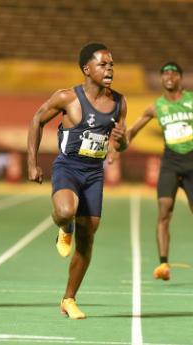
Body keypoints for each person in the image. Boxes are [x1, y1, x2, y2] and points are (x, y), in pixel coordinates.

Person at [27, 43, 128, 319]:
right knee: (64, 212)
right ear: (87, 69)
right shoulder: (67, 97)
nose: (109, 69)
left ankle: (68, 299)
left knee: (88, 238)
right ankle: (64, 227)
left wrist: (119, 143)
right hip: (68, 167)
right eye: (103, 64)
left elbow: (122, 141)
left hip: (94, 173)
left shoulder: (119, 102)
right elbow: (37, 120)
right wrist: (32, 162)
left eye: (112, 65)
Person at [127, 62, 193, 281]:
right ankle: (163, 264)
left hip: (192, 166)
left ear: (180, 77)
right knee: (164, 212)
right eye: (165, 73)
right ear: (161, 79)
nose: (169, 76)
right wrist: (119, 145)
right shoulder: (156, 107)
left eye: (173, 73)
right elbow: (133, 130)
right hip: (169, 165)